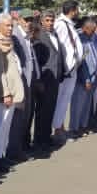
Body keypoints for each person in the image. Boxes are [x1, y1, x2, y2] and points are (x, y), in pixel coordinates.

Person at [0, 15, 24, 168]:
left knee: (5, 127)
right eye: (7, 26)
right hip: (3, 94)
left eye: (11, 26)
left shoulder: (8, 41)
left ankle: (0, 156)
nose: (10, 28)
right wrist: (5, 93)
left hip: (11, 92)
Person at [6, 9, 37, 163]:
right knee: (17, 120)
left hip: (28, 83)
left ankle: (18, 149)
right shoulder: (15, 36)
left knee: (24, 119)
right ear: (19, 20)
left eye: (31, 19)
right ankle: (12, 152)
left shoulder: (27, 36)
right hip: (18, 84)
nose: (28, 22)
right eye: (26, 19)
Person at [32, 12, 63, 153]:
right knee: (42, 111)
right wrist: (38, 80)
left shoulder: (55, 34)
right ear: (42, 21)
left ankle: (46, 137)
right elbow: (37, 60)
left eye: (52, 20)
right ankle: (39, 141)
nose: (50, 23)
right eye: (47, 20)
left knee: (50, 109)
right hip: (44, 78)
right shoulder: (40, 35)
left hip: (55, 78)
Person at [52, 0, 83, 139]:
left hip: (72, 68)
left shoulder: (69, 24)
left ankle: (60, 126)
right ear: (73, 10)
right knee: (60, 99)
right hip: (65, 69)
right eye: (77, 9)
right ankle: (57, 129)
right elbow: (59, 47)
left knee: (65, 99)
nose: (78, 12)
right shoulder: (60, 24)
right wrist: (64, 67)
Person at [70, 17, 97, 137]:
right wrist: (86, 79)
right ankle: (75, 128)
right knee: (78, 104)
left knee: (86, 105)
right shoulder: (80, 39)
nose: (93, 33)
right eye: (92, 30)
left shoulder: (90, 38)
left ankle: (83, 126)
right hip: (83, 79)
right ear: (85, 28)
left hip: (93, 77)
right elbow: (82, 62)